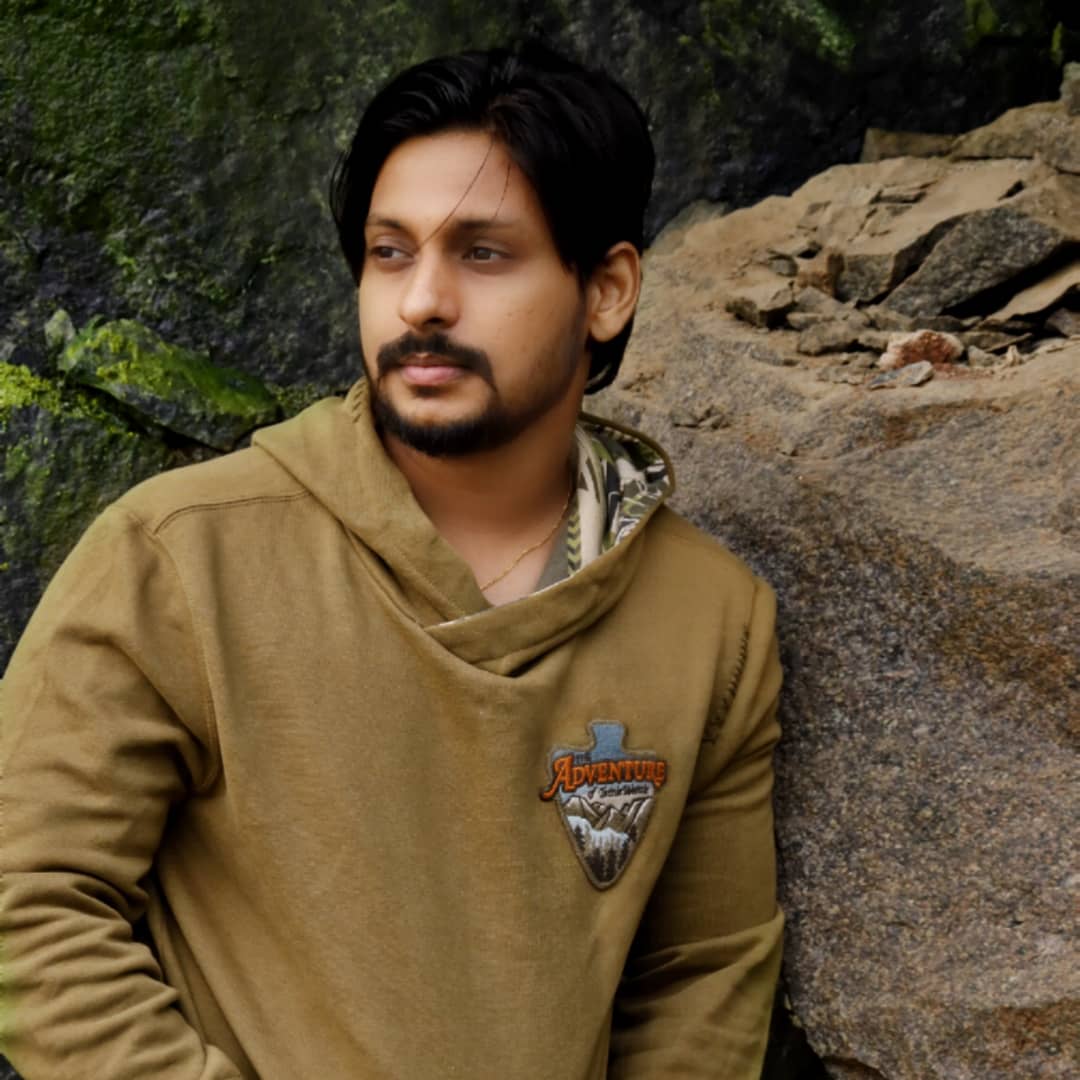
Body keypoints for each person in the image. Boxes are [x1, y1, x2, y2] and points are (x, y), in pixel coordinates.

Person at [0, 43, 783, 1079]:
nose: (422, 302)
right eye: (390, 252)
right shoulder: (181, 557)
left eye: (483, 253)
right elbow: (27, 899)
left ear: (607, 291)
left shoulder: (711, 619)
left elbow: (703, 973)